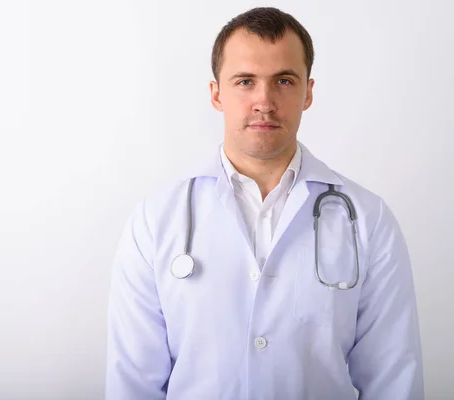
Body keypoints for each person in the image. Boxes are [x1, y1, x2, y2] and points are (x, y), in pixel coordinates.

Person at [105, 6, 423, 399]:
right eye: (244, 81)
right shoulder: (155, 221)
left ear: (308, 92)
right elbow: (133, 384)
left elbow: (392, 379)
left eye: (284, 80)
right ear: (216, 93)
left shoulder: (368, 219)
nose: (264, 101)